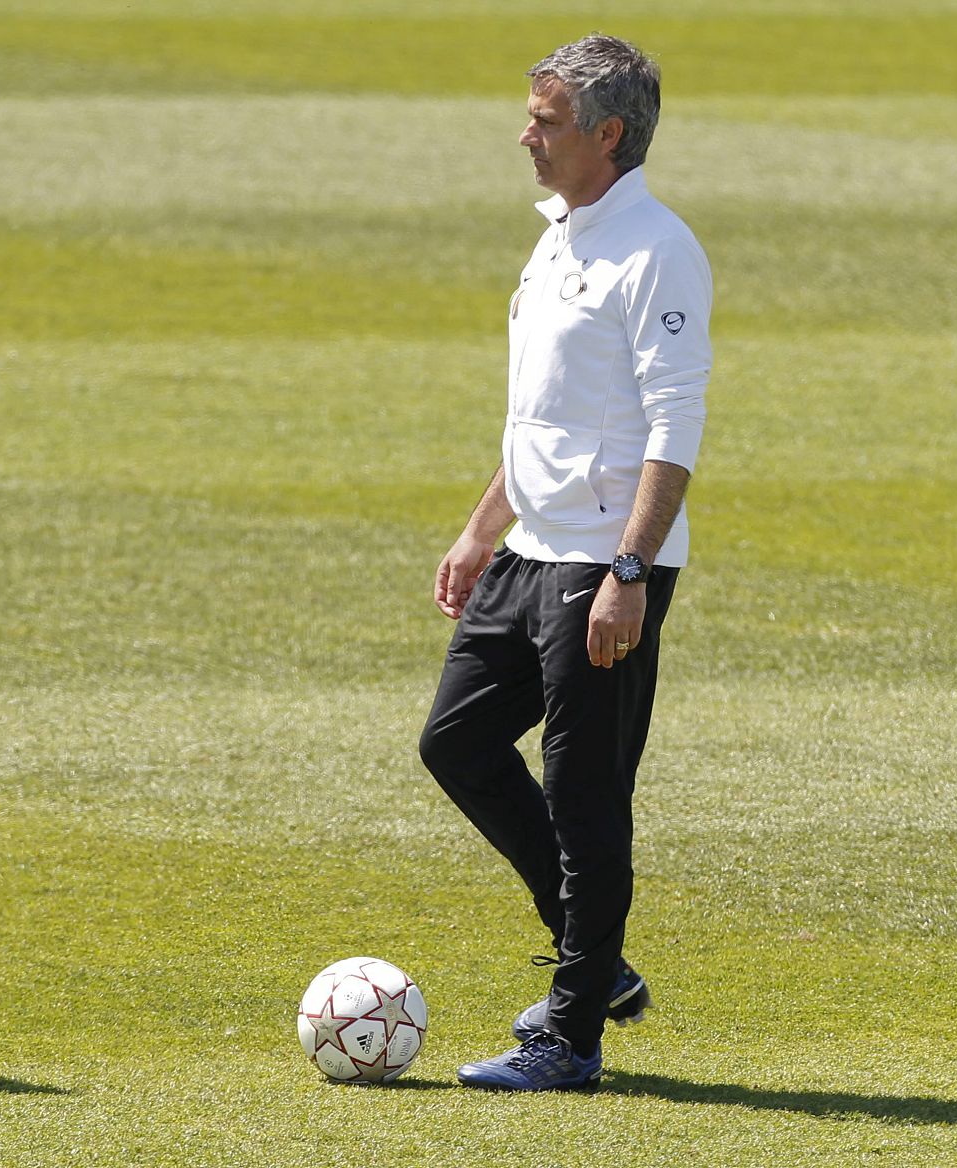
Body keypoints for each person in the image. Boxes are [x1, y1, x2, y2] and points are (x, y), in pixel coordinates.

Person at [417, 34, 712, 1092]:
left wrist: (629, 573)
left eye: (545, 122)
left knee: (584, 796)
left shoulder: (656, 250)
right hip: (529, 551)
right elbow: (545, 416)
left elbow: (674, 424)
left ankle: (571, 1037)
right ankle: (598, 963)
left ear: (607, 134)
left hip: (602, 564)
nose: (526, 137)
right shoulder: (556, 237)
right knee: (456, 742)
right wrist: (480, 528)